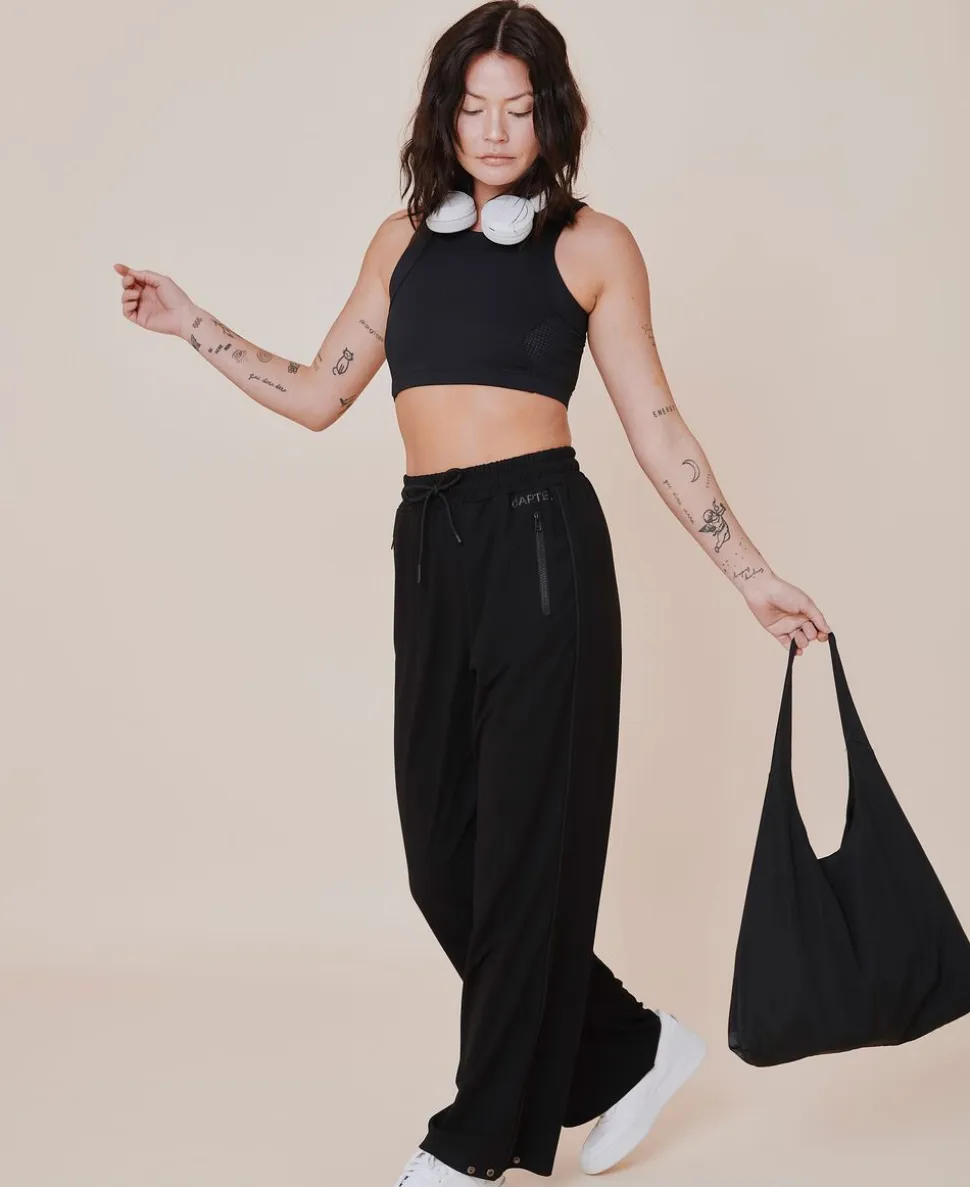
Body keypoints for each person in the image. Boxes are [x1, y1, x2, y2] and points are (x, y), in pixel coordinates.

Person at [114, 2, 831, 1182]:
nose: (495, 130)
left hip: (541, 543)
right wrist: (192, 323)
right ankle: (632, 1046)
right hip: (429, 548)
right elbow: (317, 392)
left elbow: (656, 424)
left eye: (519, 109)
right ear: (442, 115)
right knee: (443, 858)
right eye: (473, 106)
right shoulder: (400, 242)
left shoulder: (594, 245)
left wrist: (750, 573)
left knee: (519, 863)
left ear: (553, 119)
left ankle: (471, 1139)